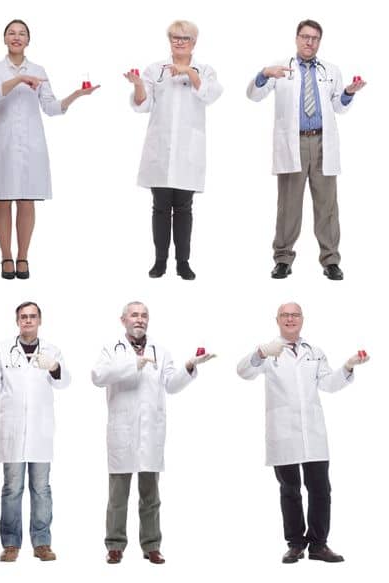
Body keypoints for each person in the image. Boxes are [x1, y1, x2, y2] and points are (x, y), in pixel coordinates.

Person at [235, 302, 368, 564]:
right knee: (290, 489)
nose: (290, 319)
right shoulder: (269, 350)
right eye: (285, 315)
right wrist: (260, 352)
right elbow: (243, 372)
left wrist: (348, 366)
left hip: (313, 432)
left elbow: (328, 384)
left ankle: (319, 545)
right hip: (283, 432)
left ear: (302, 319)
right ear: (277, 320)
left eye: (295, 315)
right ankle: (295, 544)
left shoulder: (314, 351)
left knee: (320, 489)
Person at [89, 302, 213, 564]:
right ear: (123, 319)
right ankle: (115, 545)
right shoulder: (112, 349)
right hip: (122, 433)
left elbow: (171, 385)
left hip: (150, 434)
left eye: (144, 315)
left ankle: (151, 545)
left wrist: (190, 365)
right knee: (117, 497)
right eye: (134, 315)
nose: (140, 319)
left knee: (151, 497)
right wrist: (133, 364)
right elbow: (98, 376)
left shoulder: (161, 350)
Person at [247, 20, 365, 281]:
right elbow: (253, 95)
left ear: (319, 41)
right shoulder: (281, 68)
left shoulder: (330, 70)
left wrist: (347, 93)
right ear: (296, 38)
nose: (309, 42)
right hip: (293, 143)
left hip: (323, 142)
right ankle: (283, 258)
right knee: (288, 205)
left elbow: (339, 107)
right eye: (304, 36)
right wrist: (265, 73)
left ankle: (331, 260)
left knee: (327, 205)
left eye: (314, 38)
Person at [0, 19, 97, 280]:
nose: (16, 37)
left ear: (28, 40)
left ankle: (23, 256)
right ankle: (5, 256)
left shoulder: (39, 70)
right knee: (1, 197)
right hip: (3, 143)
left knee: (27, 199)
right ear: (5, 39)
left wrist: (75, 96)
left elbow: (51, 107)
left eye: (22, 33)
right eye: (12, 33)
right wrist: (18, 79)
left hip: (31, 143)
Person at [0, 301, 70, 562]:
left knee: (42, 488)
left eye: (32, 316)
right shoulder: (2, 350)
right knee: (12, 488)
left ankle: (42, 543)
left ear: (40, 320)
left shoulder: (52, 351)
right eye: (23, 317)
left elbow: (64, 382)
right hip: (12, 430)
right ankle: (11, 544)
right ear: (17, 321)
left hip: (41, 431)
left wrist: (54, 367)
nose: (27, 321)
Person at [127, 21, 222, 280]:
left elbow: (211, 95)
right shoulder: (155, 69)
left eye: (184, 38)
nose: (178, 42)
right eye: (174, 37)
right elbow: (142, 104)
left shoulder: (205, 70)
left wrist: (187, 72)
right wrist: (137, 84)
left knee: (183, 208)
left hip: (188, 152)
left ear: (194, 42)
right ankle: (160, 261)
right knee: (160, 207)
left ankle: (183, 262)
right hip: (161, 149)